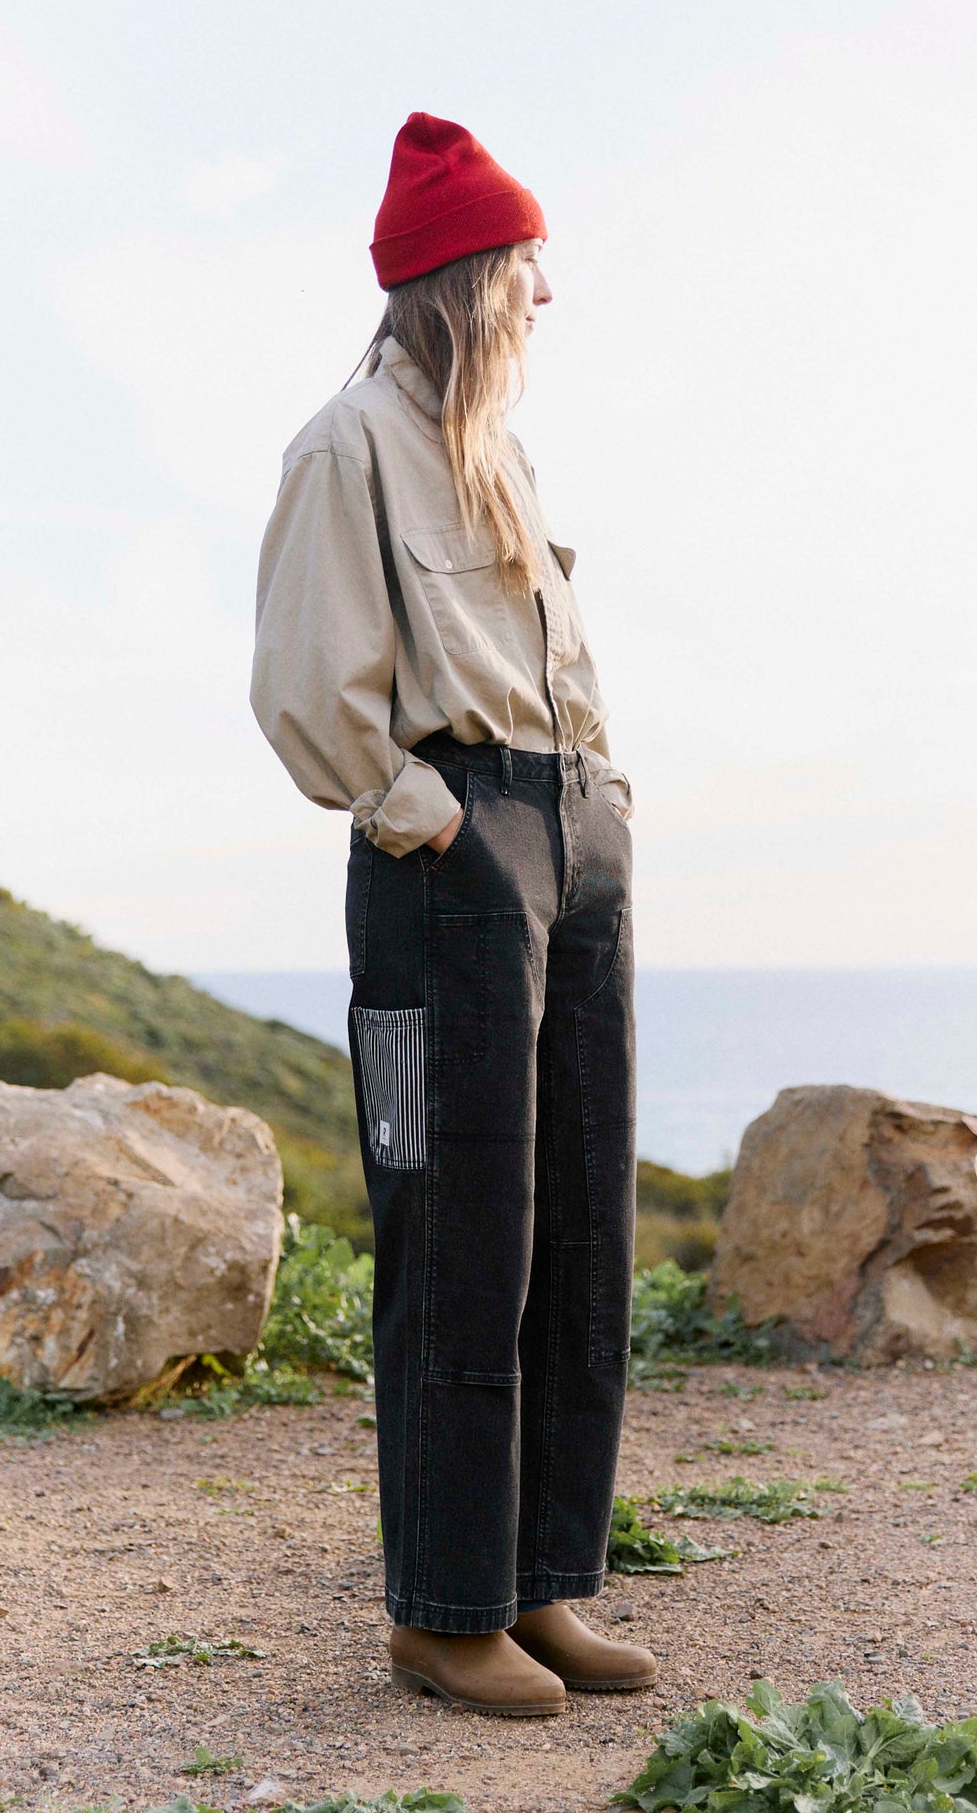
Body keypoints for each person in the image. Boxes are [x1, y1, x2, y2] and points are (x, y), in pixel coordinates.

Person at [251, 112, 653, 1718]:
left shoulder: (498, 450)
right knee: (462, 1237)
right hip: (452, 863)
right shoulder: (343, 445)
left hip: (578, 841)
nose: (547, 291)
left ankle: (540, 1584)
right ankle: (439, 1610)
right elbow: (306, 693)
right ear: (463, 279)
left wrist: (602, 807)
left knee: (579, 1239)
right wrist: (443, 831)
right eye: (525, 263)